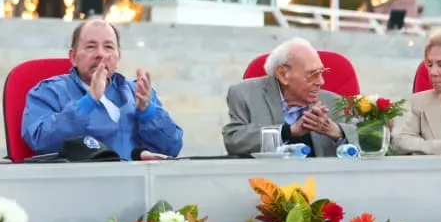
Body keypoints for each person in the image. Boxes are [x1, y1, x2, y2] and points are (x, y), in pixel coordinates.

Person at [22, 19, 183, 160]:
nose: (100, 54)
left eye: (108, 47)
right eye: (91, 47)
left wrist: (148, 113)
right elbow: (40, 141)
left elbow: (172, 148)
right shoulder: (48, 92)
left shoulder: (139, 93)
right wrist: (88, 102)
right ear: (73, 57)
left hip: (134, 185)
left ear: (118, 56)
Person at [222, 38, 356, 157]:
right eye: (313, 74)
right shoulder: (245, 94)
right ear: (283, 74)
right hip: (267, 180)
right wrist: (287, 132)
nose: (321, 82)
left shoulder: (334, 102)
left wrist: (338, 132)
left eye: (322, 73)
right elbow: (234, 140)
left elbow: (370, 139)